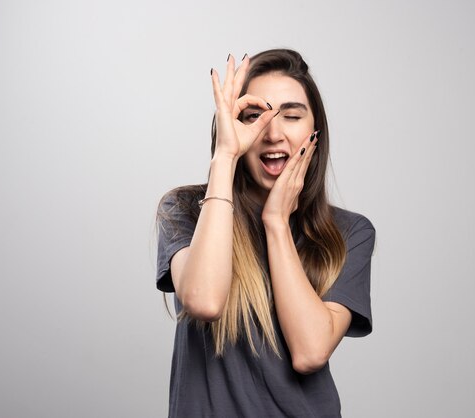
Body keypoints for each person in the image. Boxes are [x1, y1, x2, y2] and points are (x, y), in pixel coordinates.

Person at [156, 48, 376, 417]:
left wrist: (276, 224)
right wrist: (224, 158)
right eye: (254, 116)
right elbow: (204, 301)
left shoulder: (349, 232)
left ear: (314, 130)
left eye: (291, 115)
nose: (273, 133)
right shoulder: (186, 210)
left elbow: (310, 352)